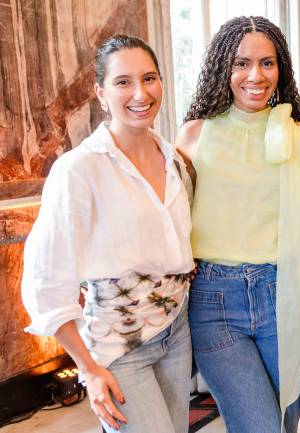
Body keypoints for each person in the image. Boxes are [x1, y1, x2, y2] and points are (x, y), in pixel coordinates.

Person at [22, 35, 194, 433]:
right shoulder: (79, 170)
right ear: (100, 92)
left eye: (150, 78)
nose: (140, 92)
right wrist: (88, 369)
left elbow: (172, 240)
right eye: (123, 82)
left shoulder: (173, 160)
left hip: (176, 331)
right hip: (118, 349)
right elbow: (46, 280)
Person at [175, 16, 300, 433]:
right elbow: (167, 215)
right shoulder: (193, 135)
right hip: (215, 300)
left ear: (281, 70)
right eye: (241, 63)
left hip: (284, 293)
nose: (255, 75)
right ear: (224, 67)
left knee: (287, 424)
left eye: (267, 63)